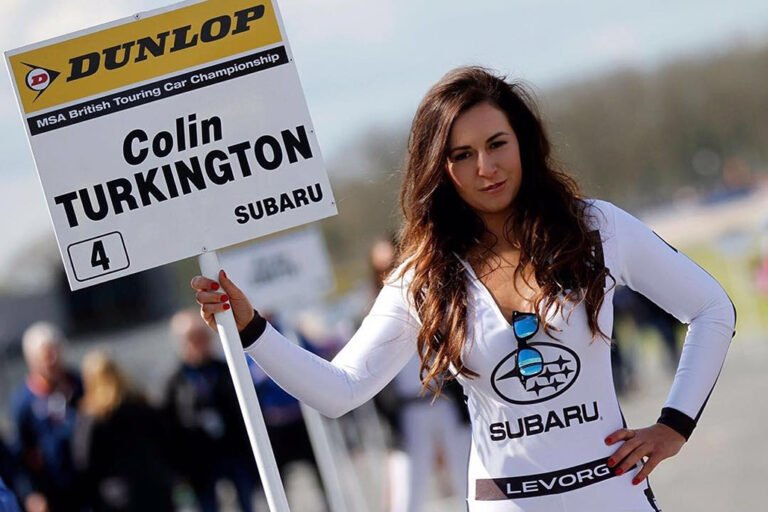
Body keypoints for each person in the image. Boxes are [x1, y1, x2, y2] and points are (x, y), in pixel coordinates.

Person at [191, 67, 736, 511]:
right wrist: (250, 326)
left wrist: (674, 425)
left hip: (611, 493)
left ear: (523, 142)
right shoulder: (424, 275)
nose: (486, 167)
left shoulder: (596, 228)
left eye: (497, 144)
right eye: (461, 155)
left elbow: (711, 308)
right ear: (439, 167)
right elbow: (342, 389)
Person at [369, 237, 471, 512]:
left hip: (448, 404)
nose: (388, 275)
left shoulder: (437, 305)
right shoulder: (373, 318)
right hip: (408, 413)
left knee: (471, 485)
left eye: (393, 266)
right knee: (405, 496)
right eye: (381, 270)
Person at [162, 310, 258, 512]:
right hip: (200, 460)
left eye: (203, 336)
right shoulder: (175, 381)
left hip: (234, 451)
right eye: (193, 338)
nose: (200, 343)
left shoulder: (226, 369)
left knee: (246, 503)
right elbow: (169, 426)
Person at [71, 350, 175, 511]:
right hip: (155, 488)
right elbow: (165, 440)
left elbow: (84, 462)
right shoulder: (142, 404)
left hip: (117, 497)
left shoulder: (92, 417)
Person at [10, 322, 83, 512]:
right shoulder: (24, 403)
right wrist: (32, 494)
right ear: (32, 361)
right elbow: (21, 454)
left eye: (56, 353)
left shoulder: (78, 384)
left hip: (88, 484)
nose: (53, 361)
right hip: (54, 491)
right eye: (46, 357)